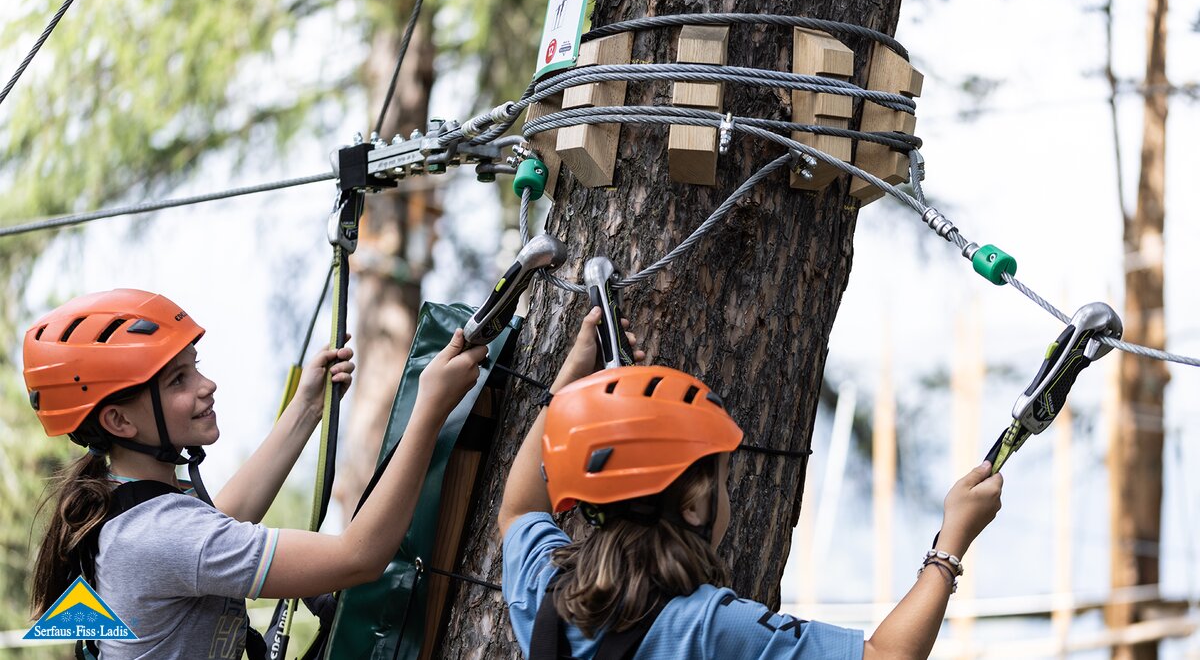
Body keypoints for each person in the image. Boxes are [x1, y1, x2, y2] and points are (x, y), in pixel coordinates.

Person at [499, 307, 1004, 659]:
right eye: (721, 481)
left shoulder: (547, 591)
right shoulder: (711, 627)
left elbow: (520, 509)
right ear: (693, 506)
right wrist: (951, 543)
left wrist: (573, 387)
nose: (726, 497)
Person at [24, 288, 487, 659]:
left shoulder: (128, 504)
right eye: (177, 381)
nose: (207, 386)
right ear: (120, 422)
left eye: (194, 368)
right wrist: (430, 408)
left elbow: (218, 522)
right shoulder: (159, 536)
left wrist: (306, 408)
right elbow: (360, 557)